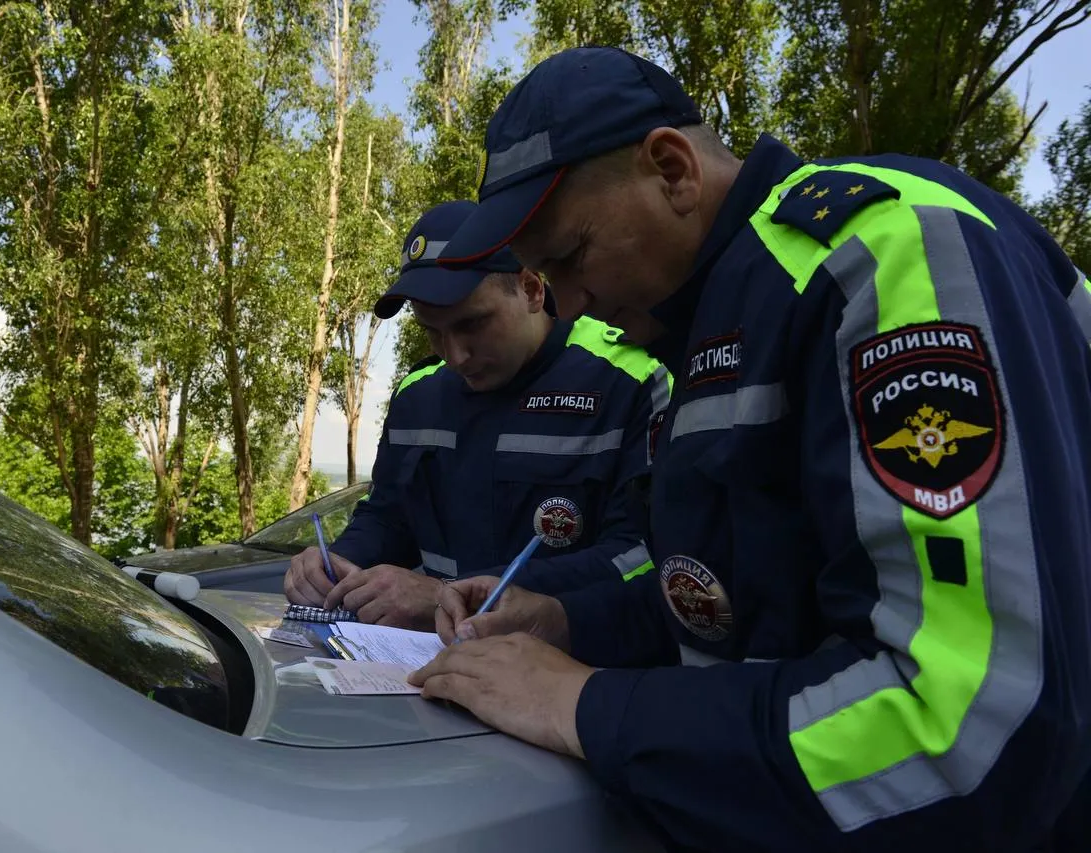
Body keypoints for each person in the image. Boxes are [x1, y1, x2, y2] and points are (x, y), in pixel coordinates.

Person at [410, 46, 1091, 851]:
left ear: (672, 170)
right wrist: (564, 619)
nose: (564, 305)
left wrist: (582, 704)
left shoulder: (883, 255)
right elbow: (728, 603)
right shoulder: (704, 329)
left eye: (568, 258)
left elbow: (966, 727)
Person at [283, 199, 670, 630]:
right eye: (433, 331)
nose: (456, 355)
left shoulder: (627, 378)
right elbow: (388, 515)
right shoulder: (418, 395)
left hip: (568, 670)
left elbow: (642, 555)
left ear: (530, 290)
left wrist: (450, 596)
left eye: (473, 325)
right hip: (421, 667)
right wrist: (337, 560)